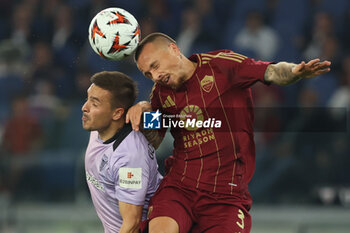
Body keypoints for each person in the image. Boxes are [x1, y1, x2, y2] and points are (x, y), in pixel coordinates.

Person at [126, 32, 331, 233]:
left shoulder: (222, 65)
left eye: (155, 66)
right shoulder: (161, 94)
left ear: (173, 49)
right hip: (179, 188)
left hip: (226, 196)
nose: (155, 76)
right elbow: (153, 138)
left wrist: (295, 71)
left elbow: (272, 71)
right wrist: (144, 109)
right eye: (148, 74)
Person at [82, 71, 163, 233]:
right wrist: (144, 106)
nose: (85, 107)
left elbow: (132, 225)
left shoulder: (128, 157)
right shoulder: (100, 126)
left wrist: (145, 106)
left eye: (95, 103)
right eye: (87, 99)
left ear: (117, 113)